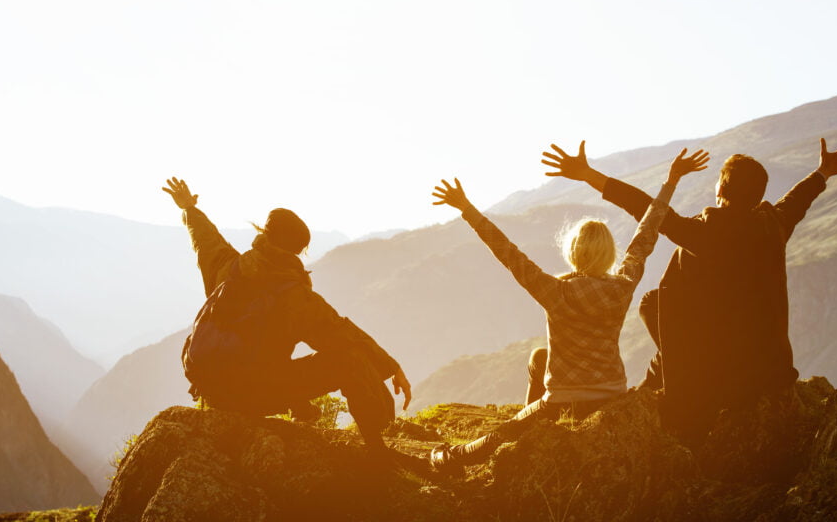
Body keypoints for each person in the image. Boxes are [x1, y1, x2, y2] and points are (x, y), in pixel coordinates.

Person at [540, 138, 837, 441]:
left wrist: (587, 174)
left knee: (654, 302)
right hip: (771, 370)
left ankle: (665, 379)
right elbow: (797, 200)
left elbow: (645, 208)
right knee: (667, 298)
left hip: (722, 377)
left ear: (721, 186)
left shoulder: (706, 232)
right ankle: (660, 373)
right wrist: (824, 172)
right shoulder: (774, 224)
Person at [427, 148, 708, 470]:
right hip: (612, 396)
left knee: (502, 434)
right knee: (539, 358)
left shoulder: (553, 290)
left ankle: (451, 458)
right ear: (609, 252)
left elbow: (506, 251)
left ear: (572, 251)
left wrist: (466, 208)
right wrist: (671, 181)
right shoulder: (623, 285)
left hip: (563, 402)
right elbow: (647, 231)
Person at [162, 177, 412, 450]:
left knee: (268, 357)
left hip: (211, 390)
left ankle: (302, 410)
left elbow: (205, 238)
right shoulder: (294, 296)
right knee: (349, 360)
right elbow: (342, 334)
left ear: (264, 234)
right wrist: (391, 366)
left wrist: (188, 207)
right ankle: (378, 448)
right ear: (298, 250)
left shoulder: (230, 268)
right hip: (252, 394)